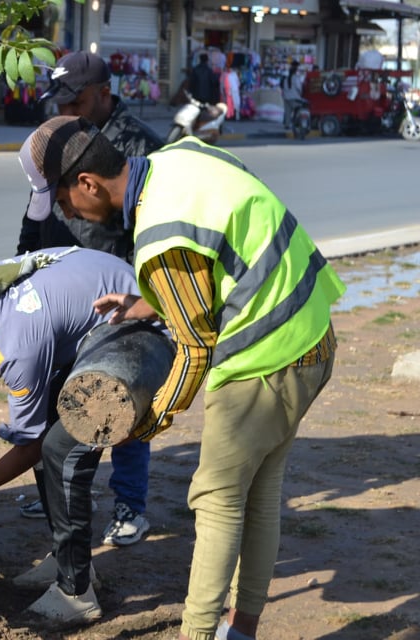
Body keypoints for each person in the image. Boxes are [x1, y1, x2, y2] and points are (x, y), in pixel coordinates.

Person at [25, 115, 344, 640]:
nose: (65, 213)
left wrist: (144, 425)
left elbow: (194, 352)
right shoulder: (182, 157)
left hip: (263, 359)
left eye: (62, 200)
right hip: (312, 330)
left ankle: (196, 633)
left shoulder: (159, 237)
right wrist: (144, 304)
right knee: (260, 494)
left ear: (87, 183)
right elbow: (214, 253)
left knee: (215, 501)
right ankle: (240, 631)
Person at [0, 246, 166, 626]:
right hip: (96, 327)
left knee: (62, 448)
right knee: (50, 432)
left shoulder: (17, 340)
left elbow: (30, 444)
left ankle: (77, 593)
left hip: (141, 331)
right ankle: (67, 561)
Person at [16, 50, 164, 548]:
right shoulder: (59, 134)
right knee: (61, 393)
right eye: (60, 102)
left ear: (104, 93)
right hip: (63, 292)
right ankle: (62, 490)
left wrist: (142, 297)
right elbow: (38, 210)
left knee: (122, 401)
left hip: (118, 294)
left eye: (76, 101)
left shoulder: (140, 147)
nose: (67, 111)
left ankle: (129, 504)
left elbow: (152, 230)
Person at [281, 60, 304, 129]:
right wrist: (300, 94)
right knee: (299, 108)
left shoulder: (286, 78)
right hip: (294, 98)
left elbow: (283, 87)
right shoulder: (296, 78)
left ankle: (287, 125)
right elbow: (299, 88)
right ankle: (295, 122)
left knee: (287, 111)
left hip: (286, 97)